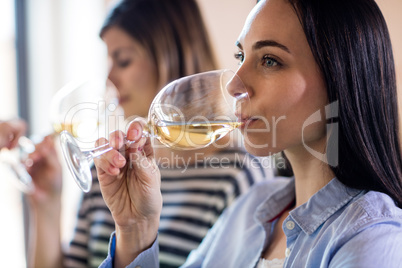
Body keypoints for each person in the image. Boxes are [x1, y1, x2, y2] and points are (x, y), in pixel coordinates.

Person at [94, 0, 402, 267]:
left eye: (270, 60)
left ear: (341, 77)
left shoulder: (372, 238)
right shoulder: (248, 211)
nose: (233, 85)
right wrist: (136, 228)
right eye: (241, 57)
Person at [25, 0, 271, 267]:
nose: (110, 78)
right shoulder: (108, 167)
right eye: (109, 61)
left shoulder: (237, 174)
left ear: (170, 55)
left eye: (123, 60)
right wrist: (46, 205)